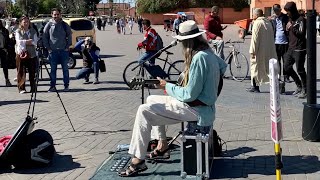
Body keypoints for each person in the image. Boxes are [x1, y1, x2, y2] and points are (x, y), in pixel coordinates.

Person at [118, 20, 227, 177]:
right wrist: (211, 84)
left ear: (187, 42)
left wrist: (167, 86)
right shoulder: (208, 53)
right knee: (151, 101)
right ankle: (162, 145)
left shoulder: (198, 58)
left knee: (143, 111)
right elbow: (223, 67)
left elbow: (189, 95)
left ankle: (138, 160)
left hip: (197, 110)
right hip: (202, 106)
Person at [43, 8, 72, 92]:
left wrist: (67, 46)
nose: (56, 16)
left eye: (57, 14)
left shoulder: (64, 25)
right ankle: (52, 86)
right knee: (53, 71)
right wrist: (48, 48)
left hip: (63, 51)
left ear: (60, 14)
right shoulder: (49, 25)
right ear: (52, 15)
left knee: (65, 70)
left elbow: (69, 35)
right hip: (53, 52)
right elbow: (44, 36)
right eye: (54, 14)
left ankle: (66, 86)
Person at [247, 8, 277, 93]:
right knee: (268, 68)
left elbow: (255, 39)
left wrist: (252, 50)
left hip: (259, 50)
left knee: (255, 67)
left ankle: (255, 86)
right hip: (268, 49)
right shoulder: (268, 22)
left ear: (256, 15)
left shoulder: (257, 23)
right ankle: (274, 85)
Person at [283, 2, 307, 98]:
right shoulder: (290, 19)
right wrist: (287, 29)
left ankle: (305, 90)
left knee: (300, 70)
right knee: (287, 67)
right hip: (291, 47)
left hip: (300, 48)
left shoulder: (301, 20)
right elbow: (289, 32)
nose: (287, 13)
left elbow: (301, 34)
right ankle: (299, 85)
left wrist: (291, 27)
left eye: (288, 11)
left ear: (292, 10)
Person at [15, 15, 38, 94]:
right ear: (21, 23)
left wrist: (25, 42)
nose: (26, 23)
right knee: (21, 71)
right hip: (21, 54)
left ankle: (33, 87)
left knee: (32, 72)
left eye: (27, 22)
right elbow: (18, 42)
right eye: (24, 22)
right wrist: (27, 42)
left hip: (32, 54)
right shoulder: (18, 31)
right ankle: (22, 88)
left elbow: (35, 42)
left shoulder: (33, 31)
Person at [270, 4, 289, 83]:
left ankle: (286, 76)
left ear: (280, 10)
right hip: (276, 42)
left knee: (286, 61)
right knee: (277, 61)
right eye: (275, 10)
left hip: (285, 42)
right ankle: (278, 75)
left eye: (277, 10)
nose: (276, 12)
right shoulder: (273, 19)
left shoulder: (285, 17)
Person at [0, 19, 12, 86]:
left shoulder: (5, 30)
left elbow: (7, 40)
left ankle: (7, 80)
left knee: (5, 66)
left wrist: (7, 48)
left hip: (3, 50)